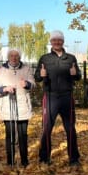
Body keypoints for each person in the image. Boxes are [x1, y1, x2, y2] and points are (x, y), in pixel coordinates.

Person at [34, 30, 81, 166]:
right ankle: (44, 158)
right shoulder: (45, 58)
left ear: (63, 41)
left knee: (70, 128)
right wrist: (41, 75)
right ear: (51, 42)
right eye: (54, 40)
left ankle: (74, 159)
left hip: (67, 97)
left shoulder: (71, 58)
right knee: (47, 128)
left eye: (59, 40)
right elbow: (37, 77)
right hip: (50, 97)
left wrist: (75, 73)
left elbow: (78, 76)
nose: (57, 42)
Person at [0, 48, 35, 167]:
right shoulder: (2, 70)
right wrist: (4, 89)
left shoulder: (26, 69)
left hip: (23, 106)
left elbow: (33, 84)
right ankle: (10, 161)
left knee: (23, 136)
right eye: (11, 55)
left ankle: (24, 161)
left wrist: (27, 84)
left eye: (16, 55)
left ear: (19, 57)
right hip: (7, 105)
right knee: (10, 135)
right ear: (8, 57)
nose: (14, 58)